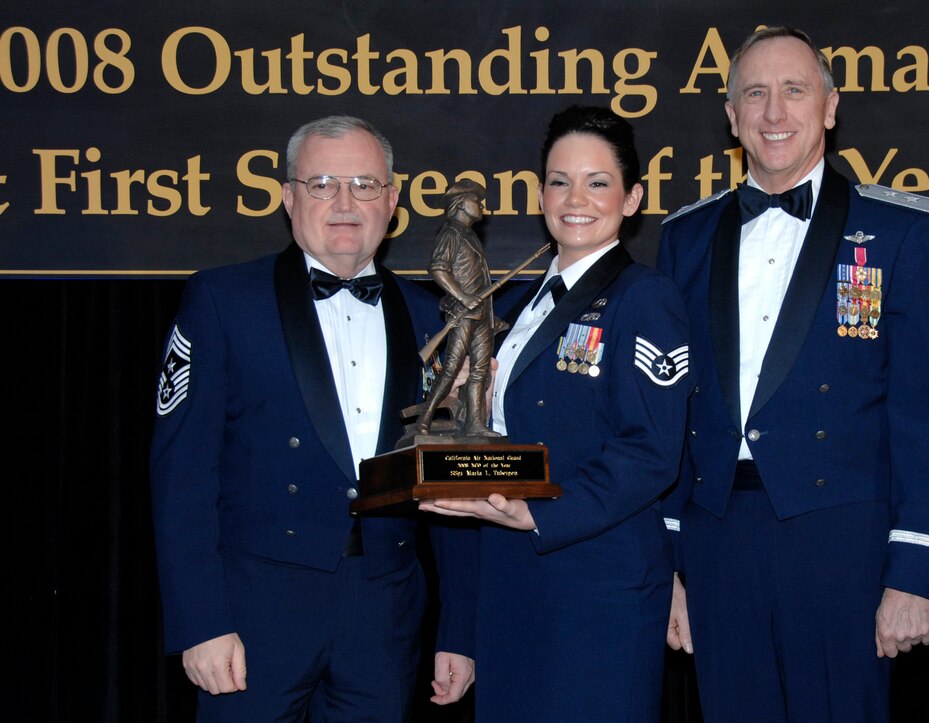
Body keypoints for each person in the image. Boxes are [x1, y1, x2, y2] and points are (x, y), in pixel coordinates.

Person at [658, 27, 929, 722]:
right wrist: (673, 564)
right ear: (731, 116)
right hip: (718, 538)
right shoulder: (686, 236)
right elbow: (673, 413)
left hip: (841, 540)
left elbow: (927, 412)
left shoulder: (898, 232)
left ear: (829, 107)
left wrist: (912, 572)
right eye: (755, 94)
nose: (774, 113)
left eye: (793, 91)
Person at [150, 115, 475, 722]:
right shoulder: (222, 301)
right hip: (252, 617)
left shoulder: (433, 317)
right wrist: (202, 621)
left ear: (394, 200)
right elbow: (182, 477)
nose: (346, 202)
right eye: (323, 183)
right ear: (288, 196)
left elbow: (452, 487)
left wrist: (459, 628)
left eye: (366, 185)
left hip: (384, 617)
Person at [420, 105, 693, 721]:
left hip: (601, 593)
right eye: (559, 180)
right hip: (513, 587)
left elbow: (650, 452)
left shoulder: (645, 299)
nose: (576, 198)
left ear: (632, 198)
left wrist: (540, 513)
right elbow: (491, 454)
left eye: (598, 182)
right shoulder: (515, 309)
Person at [415, 179, 506, 437]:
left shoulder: (470, 235)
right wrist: (464, 298)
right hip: (463, 315)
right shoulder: (451, 233)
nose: (481, 206)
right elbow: (438, 269)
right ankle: (425, 418)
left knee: (480, 371)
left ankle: (476, 424)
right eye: (476, 201)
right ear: (462, 203)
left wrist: (490, 316)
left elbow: (477, 280)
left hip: (480, 317)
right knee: (452, 369)